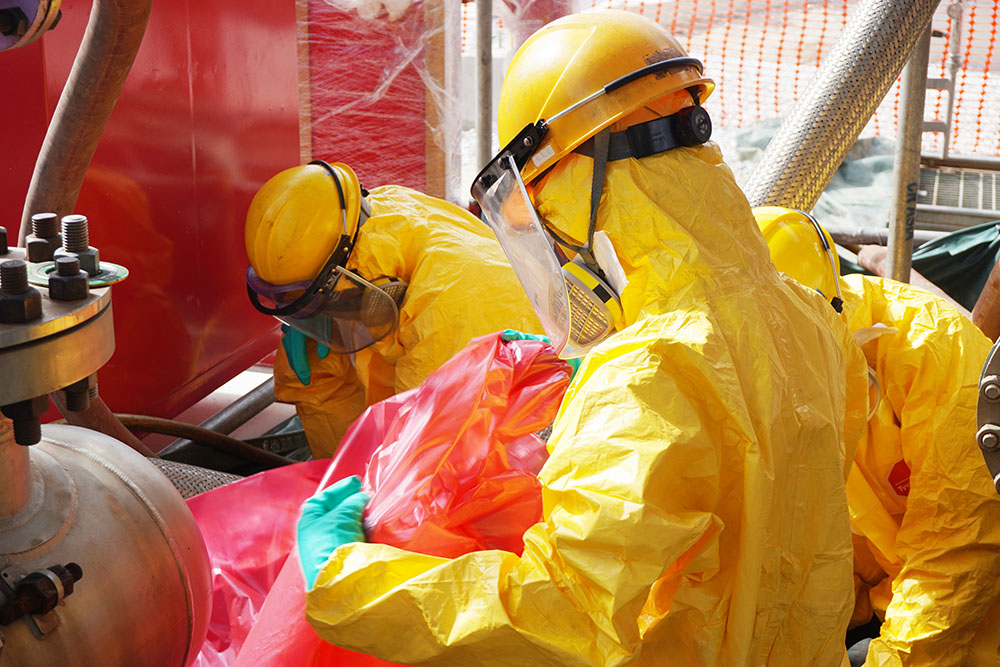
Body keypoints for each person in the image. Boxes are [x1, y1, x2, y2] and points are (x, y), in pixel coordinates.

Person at [296, 10, 870, 665]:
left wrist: (347, 577)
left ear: (577, 179)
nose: (549, 236)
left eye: (539, 209)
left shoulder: (647, 378)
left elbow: (558, 612)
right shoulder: (809, 318)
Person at [756, 205, 1000, 666]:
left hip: (970, 625)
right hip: (898, 601)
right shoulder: (793, 370)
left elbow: (959, 556)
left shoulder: (934, 354)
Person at [244, 161, 543, 457]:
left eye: (311, 299)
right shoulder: (378, 221)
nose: (310, 316)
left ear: (344, 274)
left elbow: (417, 461)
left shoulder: (449, 310)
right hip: (447, 362)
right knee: (318, 366)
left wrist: (362, 492)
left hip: (508, 443)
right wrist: (315, 316)